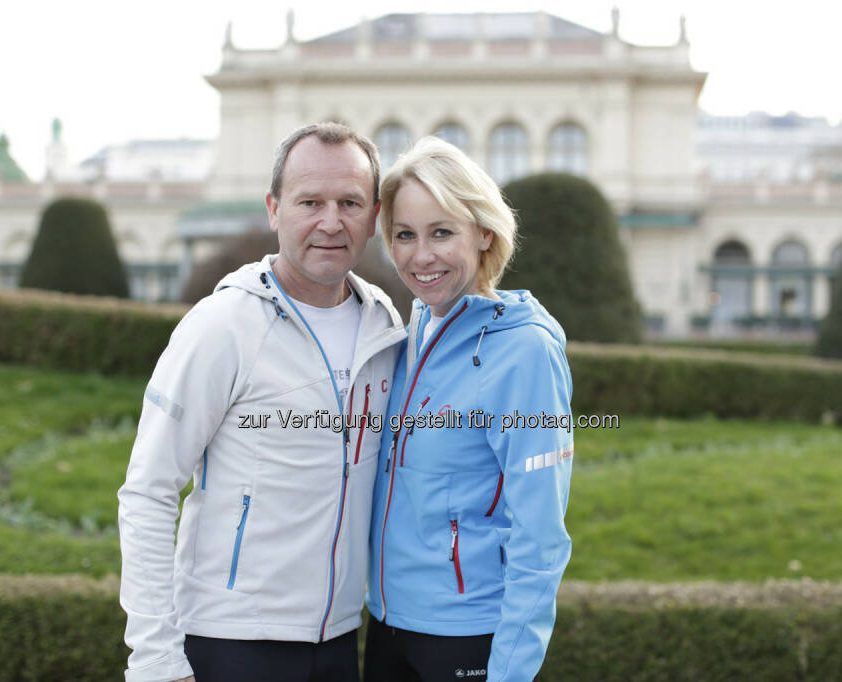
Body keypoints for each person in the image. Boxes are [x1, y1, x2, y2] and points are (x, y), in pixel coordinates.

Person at [117, 122, 406, 682]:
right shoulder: (222, 325)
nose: (330, 221)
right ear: (275, 209)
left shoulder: (385, 326)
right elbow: (148, 490)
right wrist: (154, 658)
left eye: (349, 202)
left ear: (373, 217)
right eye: (310, 201)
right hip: (232, 642)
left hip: (341, 641)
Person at [365, 137, 573, 682]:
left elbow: (541, 535)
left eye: (441, 232)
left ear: (484, 233)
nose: (420, 255)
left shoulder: (525, 351)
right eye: (404, 235)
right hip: (385, 624)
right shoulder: (410, 331)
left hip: (465, 638)